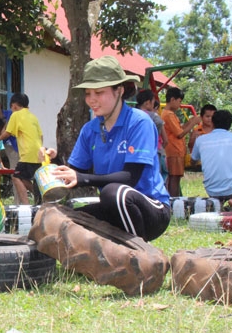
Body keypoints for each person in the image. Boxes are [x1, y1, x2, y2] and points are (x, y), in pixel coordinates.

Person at [48, 56, 170, 242]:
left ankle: (141, 256)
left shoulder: (139, 122)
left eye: (99, 92)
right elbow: (74, 174)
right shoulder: (90, 130)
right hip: (113, 207)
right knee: (63, 217)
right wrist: (54, 161)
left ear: (119, 90)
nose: (92, 100)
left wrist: (81, 179)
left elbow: (130, 177)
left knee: (114, 193)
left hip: (151, 210)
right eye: (88, 93)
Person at [0, 93, 45, 205]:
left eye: (11, 107)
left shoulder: (15, 115)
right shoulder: (33, 117)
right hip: (38, 154)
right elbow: (41, 136)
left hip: (27, 154)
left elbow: (7, 133)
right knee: (25, 178)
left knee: (16, 177)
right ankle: (39, 198)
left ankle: (26, 205)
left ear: (14, 106)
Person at [191, 110, 232, 210]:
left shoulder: (201, 140)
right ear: (230, 124)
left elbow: (193, 160)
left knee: (219, 193)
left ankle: (219, 204)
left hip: (212, 190)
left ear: (213, 122)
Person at [161, 87, 201, 197]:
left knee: (175, 178)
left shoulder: (171, 114)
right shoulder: (168, 114)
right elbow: (180, 134)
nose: (180, 104)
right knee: (174, 178)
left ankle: (175, 200)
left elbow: (180, 129)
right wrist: (193, 124)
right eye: (179, 101)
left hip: (176, 151)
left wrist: (191, 121)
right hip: (174, 151)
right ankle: (174, 201)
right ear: (173, 99)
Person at [136, 89, 168, 181]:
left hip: (136, 152)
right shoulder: (154, 117)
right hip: (155, 152)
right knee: (157, 179)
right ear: (147, 103)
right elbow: (165, 140)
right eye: (153, 102)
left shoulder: (131, 115)